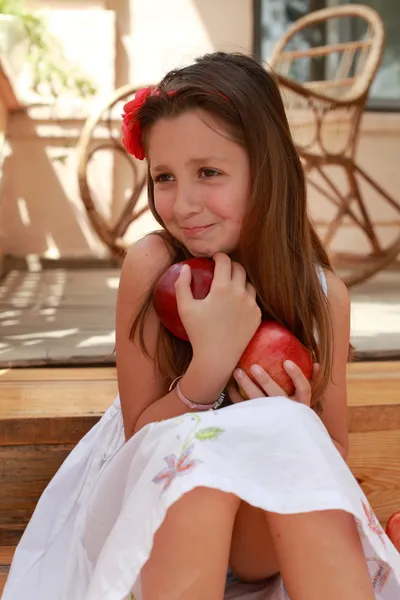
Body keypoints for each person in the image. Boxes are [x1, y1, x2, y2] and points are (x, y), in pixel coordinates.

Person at [3, 52, 400, 600]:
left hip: (261, 541)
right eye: (164, 177)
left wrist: (297, 412)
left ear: (267, 170)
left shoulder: (323, 297)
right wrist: (209, 367)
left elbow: (329, 453)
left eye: (208, 173)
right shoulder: (152, 266)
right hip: (150, 515)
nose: (182, 203)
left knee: (289, 428)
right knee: (204, 461)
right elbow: (140, 441)